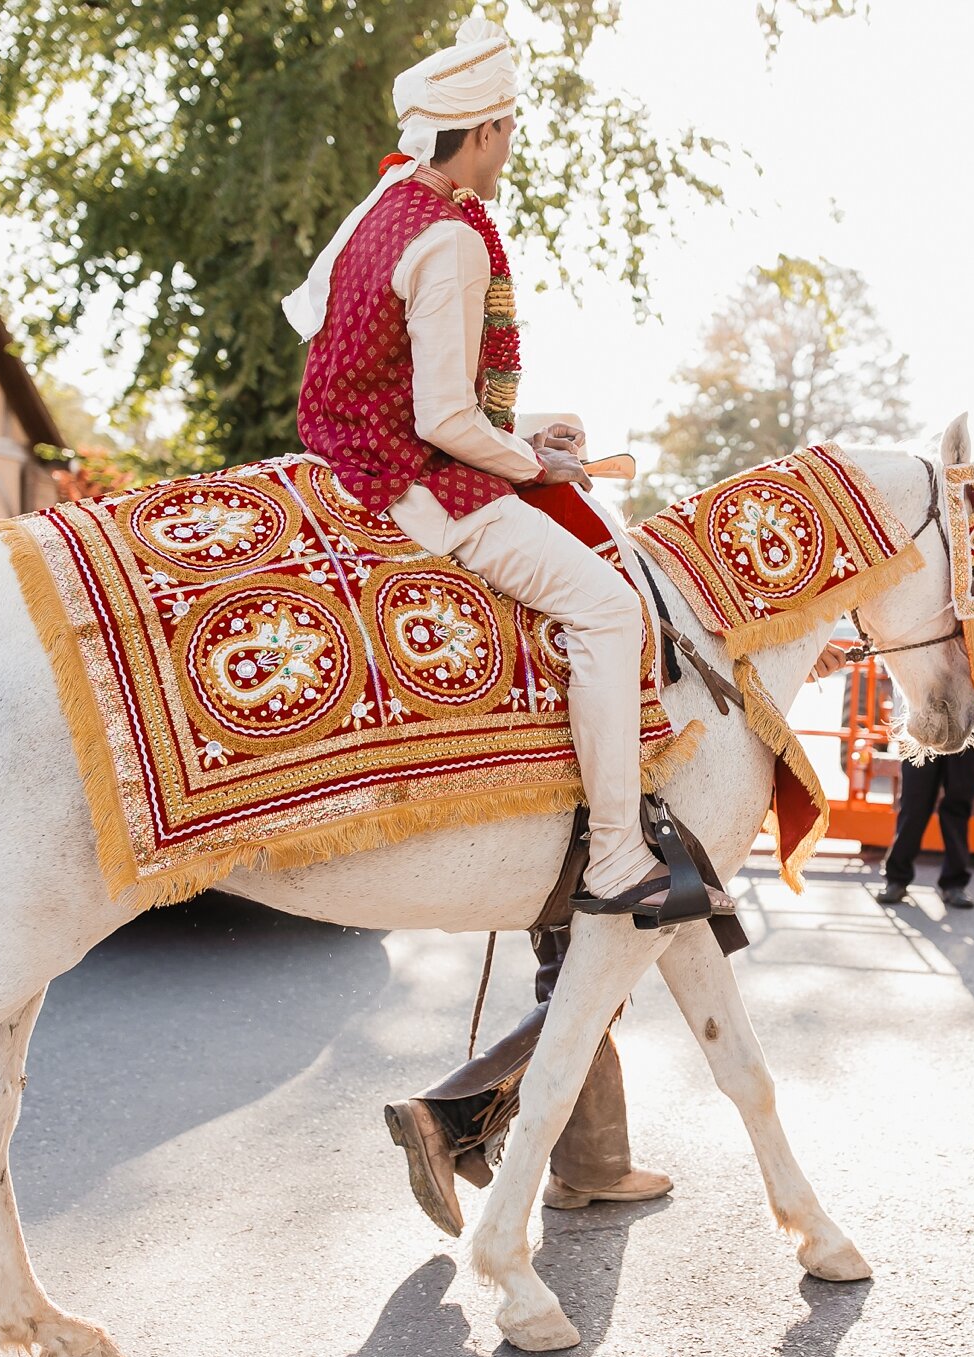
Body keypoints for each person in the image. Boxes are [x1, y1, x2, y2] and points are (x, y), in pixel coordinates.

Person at [282, 15, 728, 1237]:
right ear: (478, 132)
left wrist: (540, 447)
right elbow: (438, 415)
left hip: (366, 459)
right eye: (509, 128)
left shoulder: (390, 208)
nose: (514, 143)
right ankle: (619, 841)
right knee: (604, 597)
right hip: (413, 482)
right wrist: (533, 464)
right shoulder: (446, 239)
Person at [872, 608, 974, 910]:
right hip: (925, 717)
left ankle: (954, 883)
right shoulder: (926, 616)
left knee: (959, 802)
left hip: (970, 719)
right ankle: (896, 878)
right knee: (914, 800)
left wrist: (969, 650)